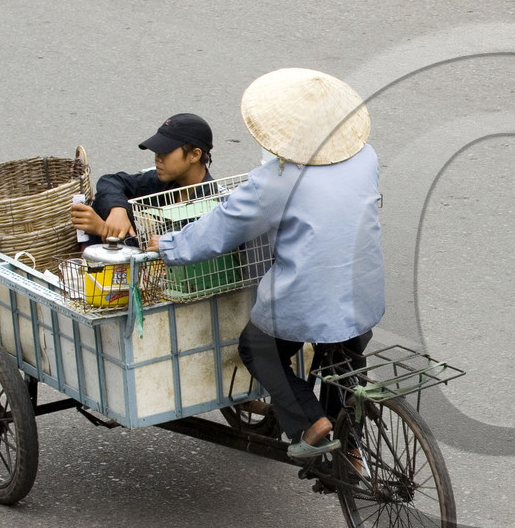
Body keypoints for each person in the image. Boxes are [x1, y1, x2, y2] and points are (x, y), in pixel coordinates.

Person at [153, 69, 383, 459]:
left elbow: (219, 230)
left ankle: (312, 424)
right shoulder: (365, 157)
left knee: (257, 346)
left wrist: (169, 245)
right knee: (344, 359)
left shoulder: (273, 182)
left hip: (310, 293)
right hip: (363, 288)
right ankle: (351, 453)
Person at [70, 113, 215, 246]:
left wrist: (103, 229)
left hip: (168, 270)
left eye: (166, 151)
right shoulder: (167, 181)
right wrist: (117, 209)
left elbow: (160, 257)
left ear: (195, 155)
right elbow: (111, 181)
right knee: (105, 202)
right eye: (157, 151)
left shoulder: (210, 206)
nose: (158, 158)